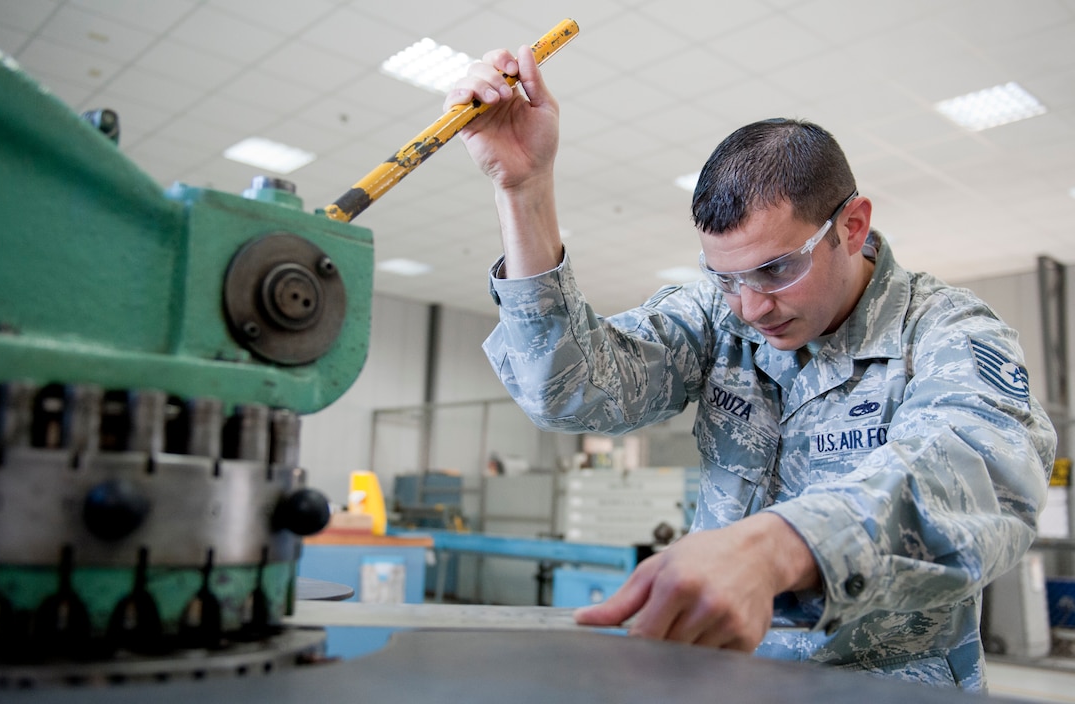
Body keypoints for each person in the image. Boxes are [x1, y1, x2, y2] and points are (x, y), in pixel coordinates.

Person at [445, 46, 1056, 691]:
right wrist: (523, 189)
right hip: (727, 681)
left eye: (776, 268)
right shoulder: (720, 314)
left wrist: (774, 547)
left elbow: (981, 479)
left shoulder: (946, 332)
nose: (752, 305)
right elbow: (571, 390)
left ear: (852, 225)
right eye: (726, 276)